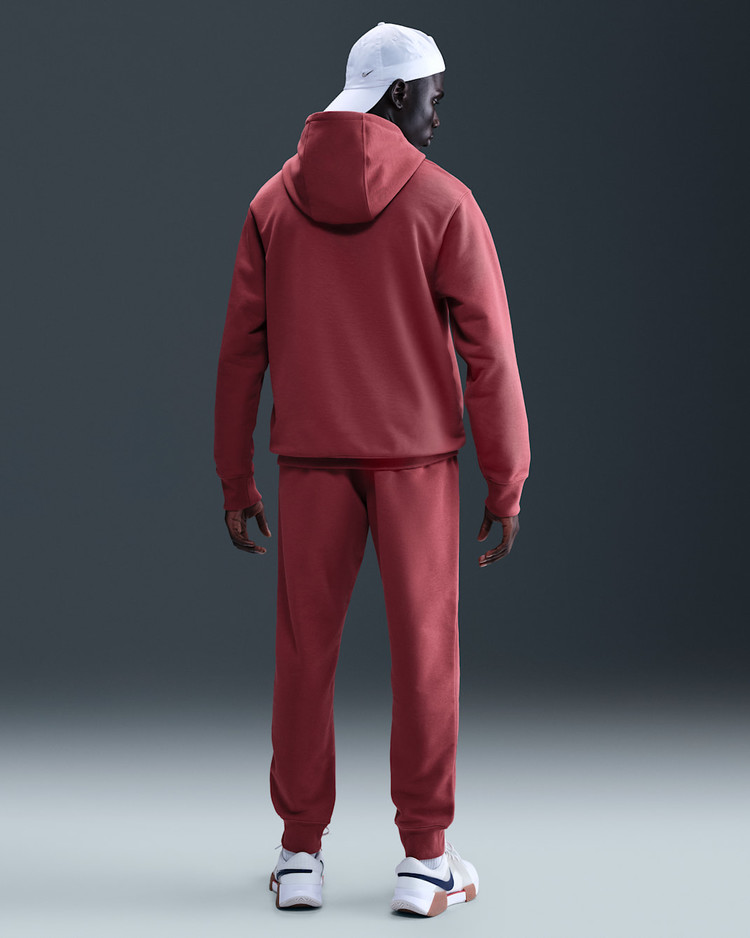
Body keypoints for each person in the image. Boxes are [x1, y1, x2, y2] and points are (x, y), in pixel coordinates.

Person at [213, 22, 531, 916]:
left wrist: (236, 477)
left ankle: (299, 855)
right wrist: (506, 479)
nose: (438, 117)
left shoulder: (272, 204)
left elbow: (240, 353)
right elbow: (490, 354)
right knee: (425, 657)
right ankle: (425, 861)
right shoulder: (445, 202)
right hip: (416, 466)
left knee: (303, 655)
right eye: (433, 98)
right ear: (397, 96)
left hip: (309, 463)